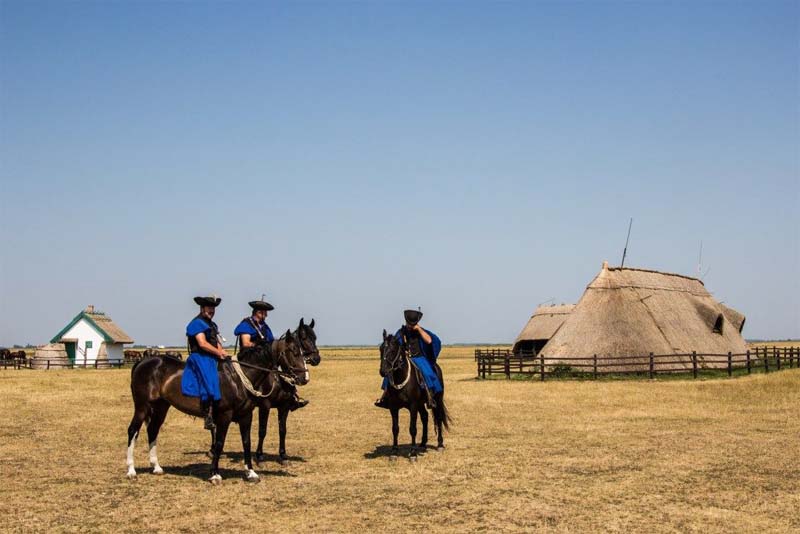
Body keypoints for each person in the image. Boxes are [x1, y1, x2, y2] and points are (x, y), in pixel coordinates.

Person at [233, 298, 308, 411]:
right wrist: (259, 345)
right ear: (257, 312)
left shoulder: (264, 327)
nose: (266, 315)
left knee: (285, 374)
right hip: (249, 360)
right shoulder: (246, 324)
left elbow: (271, 341)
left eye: (266, 312)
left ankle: (291, 398)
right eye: (263, 312)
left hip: (265, 360)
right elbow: (246, 343)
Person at [375, 309, 443, 408]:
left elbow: (429, 341)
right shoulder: (401, 332)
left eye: (412, 323)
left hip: (419, 357)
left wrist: (419, 329)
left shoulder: (421, 331)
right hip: (404, 358)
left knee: (427, 373)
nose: (409, 325)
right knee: (389, 372)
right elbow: (395, 344)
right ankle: (385, 396)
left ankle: (430, 397)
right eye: (408, 323)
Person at [181, 295, 229, 430]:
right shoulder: (196, 323)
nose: (212, 311)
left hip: (212, 356)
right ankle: (208, 414)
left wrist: (222, 353)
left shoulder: (212, 324)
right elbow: (202, 344)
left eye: (213, 308)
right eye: (209, 308)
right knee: (210, 380)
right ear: (202, 308)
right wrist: (218, 352)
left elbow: (217, 343)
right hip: (200, 357)